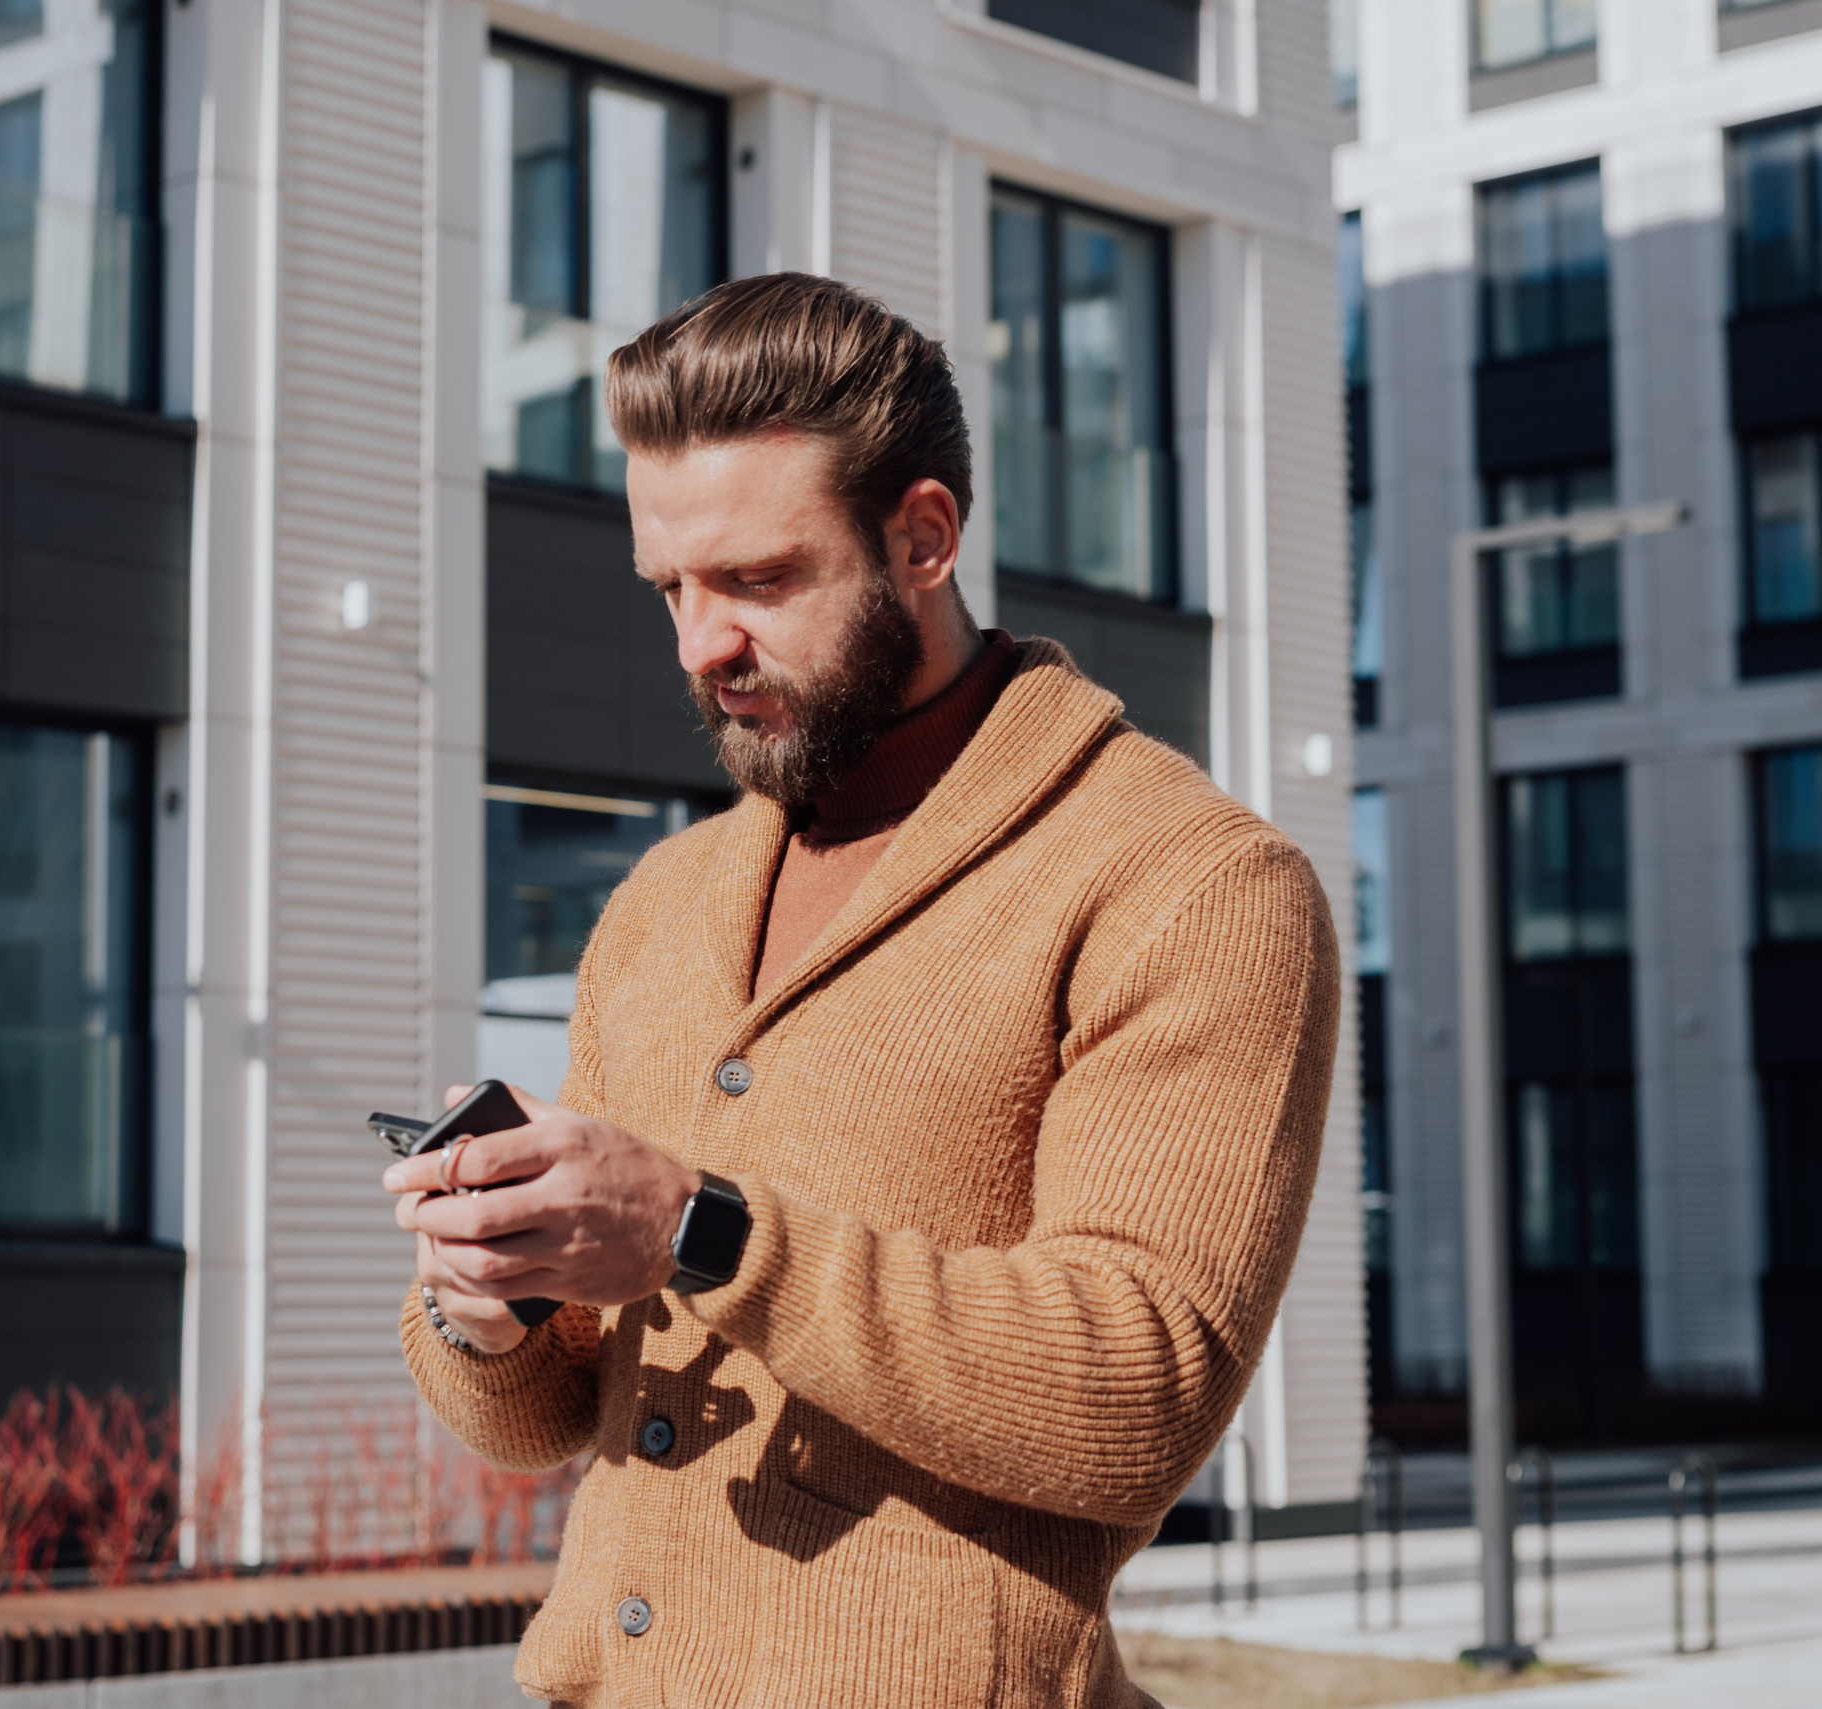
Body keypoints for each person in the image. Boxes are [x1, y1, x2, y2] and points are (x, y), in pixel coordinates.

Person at [384, 272, 1336, 1708]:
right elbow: (548, 1413)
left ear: (924, 538)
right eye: (673, 589)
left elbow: (1145, 1386)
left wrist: (700, 1228)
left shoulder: (1188, 881)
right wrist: (488, 1297)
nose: (703, 642)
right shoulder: (664, 902)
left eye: (758, 580)